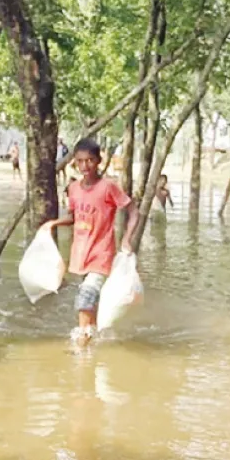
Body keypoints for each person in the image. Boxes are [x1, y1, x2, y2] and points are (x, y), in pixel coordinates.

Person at [42, 139, 138, 345]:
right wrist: (53, 224)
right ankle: (93, 340)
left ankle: (81, 347)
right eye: (80, 162)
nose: (85, 166)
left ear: (98, 161)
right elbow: (75, 219)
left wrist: (127, 239)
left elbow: (133, 211)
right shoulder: (74, 189)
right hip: (80, 256)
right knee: (90, 303)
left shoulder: (108, 188)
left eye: (90, 161)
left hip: (102, 254)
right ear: (74, 163)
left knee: (85, 297)